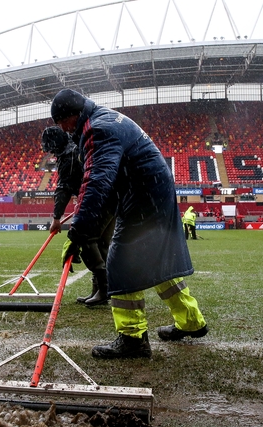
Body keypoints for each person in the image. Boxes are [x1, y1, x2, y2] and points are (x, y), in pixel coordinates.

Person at [51, 88, 208, 359]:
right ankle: (191, 321)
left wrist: (79, 231)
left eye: (60, 123)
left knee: (121, 263)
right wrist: (84, 229)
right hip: (153, 193)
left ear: (70, 116)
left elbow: (97, 182)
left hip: (143, 196)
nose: (63, 130)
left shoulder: (96, 129)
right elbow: (107, 187)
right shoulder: (105, 119)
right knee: (160, 264)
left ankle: (132, 338)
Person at [41, 126, 113, 307]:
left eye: (51, 149)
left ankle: (104, 290)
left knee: (88, 241)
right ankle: (101, 290)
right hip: (110, 197)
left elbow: (64, 188)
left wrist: (56, 218)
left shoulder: (69, 156)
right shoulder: (76, 143)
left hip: (97, 200)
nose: (51, 153)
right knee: (102, 244)